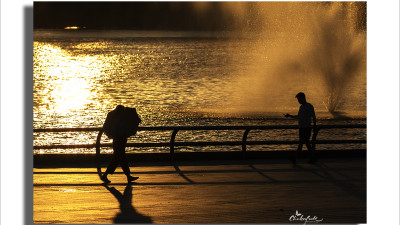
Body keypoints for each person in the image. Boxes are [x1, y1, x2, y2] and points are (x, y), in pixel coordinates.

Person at [101, 105, 141, 184]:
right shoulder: (120, 118)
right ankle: (106, 175)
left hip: (120, 139)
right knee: (119, 158)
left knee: (120, 158)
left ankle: (127, 176)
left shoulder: (116, 118)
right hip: (119, 139)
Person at [284, 92, 317, 164]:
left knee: (302, 143)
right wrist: (290, 116)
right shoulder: (301, 107)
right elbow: (298, 117)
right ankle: (312, 157)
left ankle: (294, 158)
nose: (298, 101)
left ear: (302, 98)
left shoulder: (309, 106)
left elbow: (314, 117)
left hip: (307, 128)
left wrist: (314, 126)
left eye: (298, 99)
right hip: (301, 128)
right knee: (305, 143)